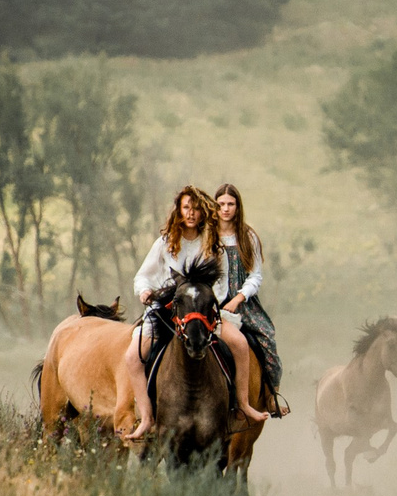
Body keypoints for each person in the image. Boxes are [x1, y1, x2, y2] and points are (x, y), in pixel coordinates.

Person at [117, 186, 269, 441]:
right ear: (179, 210)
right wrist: (144, 291)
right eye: (186, 207)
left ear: (203, 213)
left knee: (241, 345)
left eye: (196, 209)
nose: (191, 213)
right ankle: (146, 417)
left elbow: (220, 285)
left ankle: (242, 405)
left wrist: (206, 303)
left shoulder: (212, 243)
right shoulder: (165, 242)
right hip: (166, 312)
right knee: (133, 357)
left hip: (202, 313)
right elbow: (142, 276)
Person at [211, 182, 289, 417]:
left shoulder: (247, 236)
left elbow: (255, 275)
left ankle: (271, 395)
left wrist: (239, 298)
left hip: (243, 303)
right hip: (212, 301)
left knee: (267, 337)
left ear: (237, 206)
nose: (226, 209)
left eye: (230, 204)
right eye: (221, 204)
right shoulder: (208, 235)